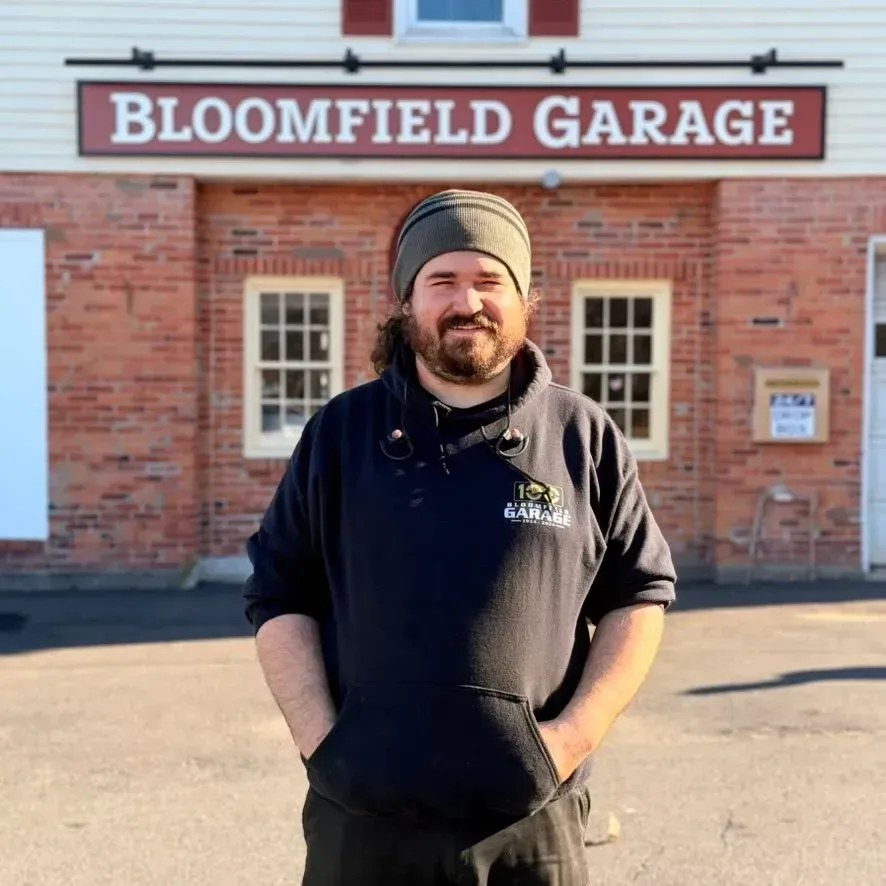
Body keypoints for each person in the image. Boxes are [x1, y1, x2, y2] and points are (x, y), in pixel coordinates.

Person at [243, 188, 677, 885]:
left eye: (488, 280)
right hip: (362, 821)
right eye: (442, 280)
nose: (466, 301)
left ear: (524, 296)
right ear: (408, 300)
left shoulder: (582, 437)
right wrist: (321, 744)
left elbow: (639, 598)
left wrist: (568, 742)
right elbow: (277, 593)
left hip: (532, 819)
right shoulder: (342, 434)